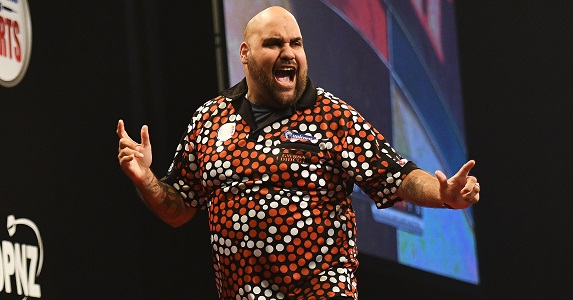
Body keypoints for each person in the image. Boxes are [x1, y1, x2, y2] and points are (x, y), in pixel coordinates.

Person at [117, 6, 480, 300]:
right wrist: (146, 178)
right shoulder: (210, 119)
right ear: (245, 53)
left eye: (296, 43)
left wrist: (443, 195)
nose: (288, 53)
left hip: (322, 289)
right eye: (274, 43)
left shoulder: (332, 116)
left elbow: (396, 175)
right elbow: (178, 207)